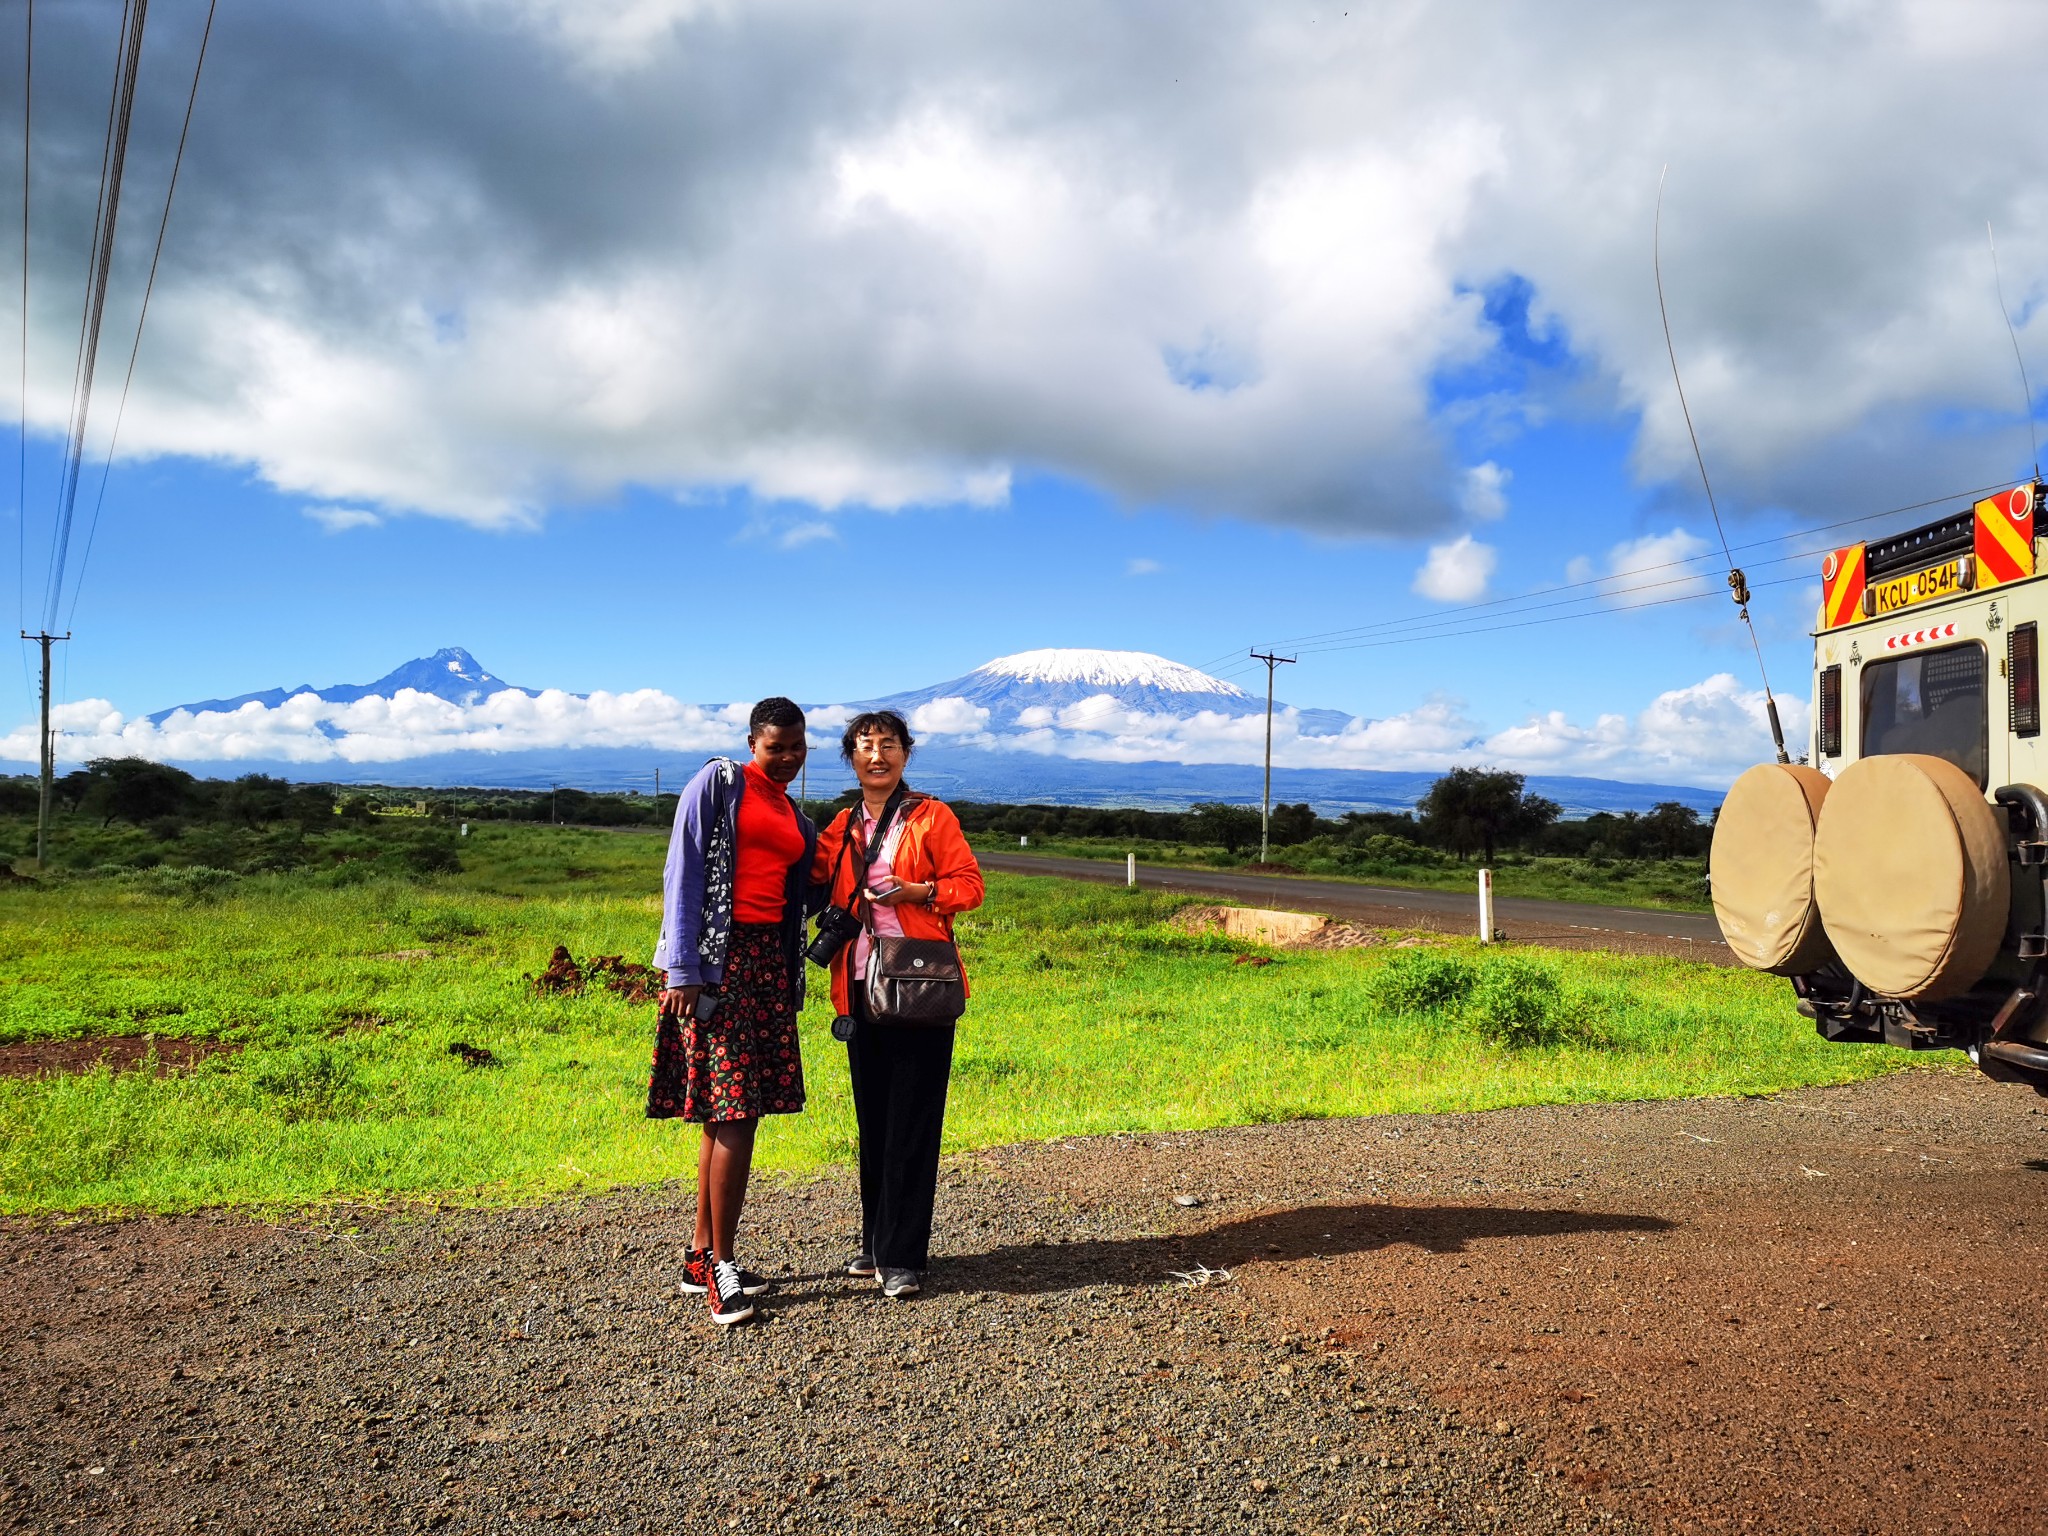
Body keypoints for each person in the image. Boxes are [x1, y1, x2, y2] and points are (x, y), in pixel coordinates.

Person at [649, 697, 816, 1325]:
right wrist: (683, 969)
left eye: (797, 748)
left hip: (769, 965)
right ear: (753, 742)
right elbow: (683, 873)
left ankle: (699, 1256)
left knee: (728, 1116)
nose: (788, 758)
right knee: (736, 1115)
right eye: (776, 748)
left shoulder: (790, 809)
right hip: (722, 964)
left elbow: (806, 879)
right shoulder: (718, 784)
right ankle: (722, 1270)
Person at [810, 709, 984, 1299]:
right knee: (874, 1116)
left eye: (888, 745)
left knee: (913, 1117)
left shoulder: (932, 817)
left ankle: (904, 1255)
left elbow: (971, 886)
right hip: (858, 985)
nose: (877, 755)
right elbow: (808, 874)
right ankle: (875, 1242)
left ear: (906, 754)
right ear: (850, 758)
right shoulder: (840, 825)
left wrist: (923, 893)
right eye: (865, 746)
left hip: (919, 986)